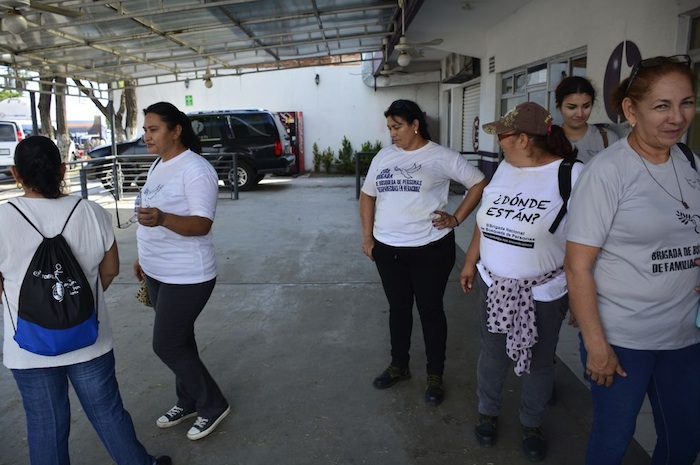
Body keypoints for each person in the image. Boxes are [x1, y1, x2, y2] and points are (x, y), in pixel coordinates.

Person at [0, 136, 171, 465]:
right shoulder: (92, 212)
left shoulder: (3, 219)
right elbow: (109, 271)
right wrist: (72, 305)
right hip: (89, 338)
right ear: (63, 170)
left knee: (45, 424)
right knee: (107, 411)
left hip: (27, 346)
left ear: (15, 173)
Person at [564, 55, 700, 464]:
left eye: (687, 103)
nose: (677, 117)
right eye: (662, 106)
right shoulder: (608, 172)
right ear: (630, 110)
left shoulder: (692, 163)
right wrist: (596, 345)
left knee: (684, 440)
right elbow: (577, 266)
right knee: (613, 441)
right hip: (623, 340)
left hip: (685, 336)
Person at [459, 102, 581, 462]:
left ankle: (531, 421)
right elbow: (485, 220)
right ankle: (488, 412)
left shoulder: (572, 175)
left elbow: (590, 240)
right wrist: (470, 261)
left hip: (544, 292)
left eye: (504, 136)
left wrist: (581, 293)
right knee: (492, 354)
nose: (499, 143)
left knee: (541, 361)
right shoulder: (504, 170)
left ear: (525, 139)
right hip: (493, 285)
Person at [360, 99, 487, 406]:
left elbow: (480, 182)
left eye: (398, 127)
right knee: (398, 308)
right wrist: (367, 237)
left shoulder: (440, 156)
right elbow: (367, 196)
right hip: (388, 249)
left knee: (430, 311)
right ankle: (399, 365)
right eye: (389, 128)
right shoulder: (383, 157)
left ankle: (434, 373)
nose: (393, 134)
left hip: (430, 248)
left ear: (415, 124)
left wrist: (456, 218)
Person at [133, 102, 230, 441]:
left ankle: (212, 403)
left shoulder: (195, 169)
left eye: (153, 129)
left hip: (188, 275)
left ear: (176, 131)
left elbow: (201, 224)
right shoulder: (159, 165)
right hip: (159, 271)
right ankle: (187, 400)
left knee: (167, 344)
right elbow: (148, 214)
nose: (147, 136)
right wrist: (144, 256)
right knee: (181, 339)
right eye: (145, 130)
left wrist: (161, 218)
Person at [555, 76, 619, 163]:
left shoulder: (608, 139)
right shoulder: (547, 141)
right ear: (559, 107)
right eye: (572, 107)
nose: (580, 114)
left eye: (586, 106)